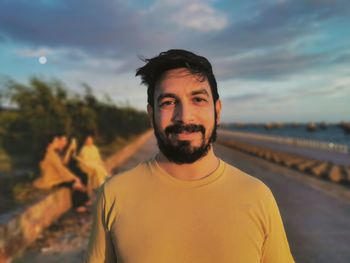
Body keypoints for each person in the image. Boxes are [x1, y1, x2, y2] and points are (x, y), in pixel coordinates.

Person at [85, 49, 295, 262]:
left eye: (198, 99)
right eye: (168, 102)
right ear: (151, 115)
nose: (184, 116)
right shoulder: (114, 195)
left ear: (217, 110)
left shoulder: (257, 196)